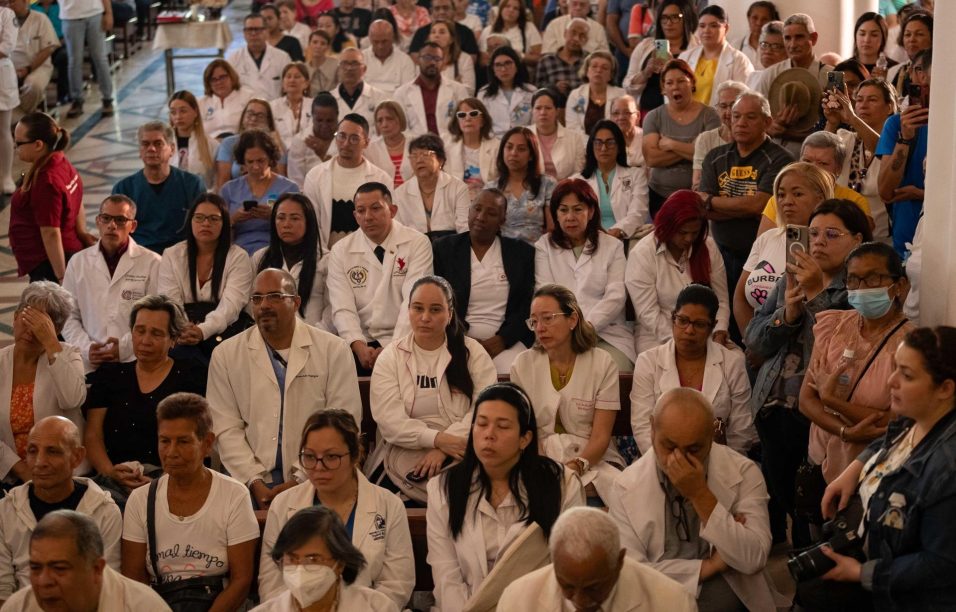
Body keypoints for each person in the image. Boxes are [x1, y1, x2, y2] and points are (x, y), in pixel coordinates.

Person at [796, 326, 956, 611]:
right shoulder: (915, 418)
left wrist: (863, 573)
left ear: (945, 389)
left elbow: (941, 564)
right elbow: (890, 440)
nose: (892, 381)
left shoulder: (948, 466)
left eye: (907, 375)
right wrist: (856, 468)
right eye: (895, 369)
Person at [745, 200, 871, 548]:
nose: (818, 242)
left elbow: (839, 354)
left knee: (815, 507)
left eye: (831, 234)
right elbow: (754, 339)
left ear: (857, 240)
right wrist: (787, 314)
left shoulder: (858, 289)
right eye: (813, 234)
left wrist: (816, 295)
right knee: (786, 497)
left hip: (821, 416)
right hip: (774, 406)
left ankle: (814, 572)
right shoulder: (790, 279)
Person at [608, 388, 778, 611]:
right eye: (669, 446)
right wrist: (710, 566)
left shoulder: (744, 472)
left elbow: (753, 558)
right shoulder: (625, 485)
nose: (679, 459)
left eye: (694, 449)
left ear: (712, 435)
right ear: (652, 429)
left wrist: (700, 495)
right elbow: (630, 574)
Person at [208, 268, 361, 507]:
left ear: (296, 302)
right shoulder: (225, 355)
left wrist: (300, 479)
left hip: (319, 476)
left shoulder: (334, 350)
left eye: (275, 297)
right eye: (257, 298)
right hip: (247, 482)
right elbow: (225, 427)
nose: (264, 305)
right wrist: (254, 480)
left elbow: (344, 422)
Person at [427, 382, 585, 610]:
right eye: (481, 424)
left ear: (525, 438)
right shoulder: (443, 488)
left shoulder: (562, 484)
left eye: (502, 426)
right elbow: (446, 575)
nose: (489, 435)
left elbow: (567, 570)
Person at [258, 410, 413, 605]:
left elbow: (396, 585)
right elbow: (271, 584)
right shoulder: (282, 505)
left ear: (355, 456)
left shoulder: (389, 505)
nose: (318, 467)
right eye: (310, 456)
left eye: (331, 457)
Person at [121, 393, 259, 611]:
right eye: (164, 441)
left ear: (207, 443)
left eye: (183, 442)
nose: (171, 452)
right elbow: (134, 581)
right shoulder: (140, 500)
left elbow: (241, 581)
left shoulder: (234, 495)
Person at [366, 276, 497, 497]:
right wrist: (438, 440)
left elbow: (484, 411)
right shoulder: (390, 357)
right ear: (408, 311)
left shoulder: (473, 353)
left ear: (450, 313)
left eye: (435, 310)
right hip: (401, 454)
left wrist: (444, 449)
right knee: (386, 505)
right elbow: (390, 421)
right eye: (418, 308)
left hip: (463, 449)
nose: (425, 317)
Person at [800, 242, 913, 484]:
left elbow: (900, 418)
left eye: (873, 279)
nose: (861, 289)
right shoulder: (833, 325)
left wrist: (832, 401)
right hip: (820, 461)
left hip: (872, 473)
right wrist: (846, 432)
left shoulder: (911, 345)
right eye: (853, 280)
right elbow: (806, 400)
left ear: (900, 285)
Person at [82, 296, 206, 498]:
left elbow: (198, 438)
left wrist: (162, 481)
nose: (145, 340)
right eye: (140, 331)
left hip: (173, 478)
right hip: (113, 479)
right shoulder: (110, 376)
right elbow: (92, 435)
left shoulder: (191, 376)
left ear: (173, 339)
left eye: (156, 333)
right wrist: (111, 473)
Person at [510, 284, 623, 502]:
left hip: (592, 460)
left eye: (547, 318)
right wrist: (546, 469)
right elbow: (526, 431)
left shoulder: (602, 363)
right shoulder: (523, 364)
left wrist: (577, 466)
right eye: (534, 321)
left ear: (572, 319)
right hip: (540, 458)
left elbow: (600, 437)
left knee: (615, 493)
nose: (540, 328)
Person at [0, 417, 122, 604]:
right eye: (32, 451)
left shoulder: (105, 512)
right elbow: (2, 592)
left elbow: (108, 588)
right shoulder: (5, 511)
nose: (40, 462)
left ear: (77, 457)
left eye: (52, 451)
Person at [698, 91, 792, 318]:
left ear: (767, 122)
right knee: (720, 315)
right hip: (719, 252)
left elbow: (759, 205)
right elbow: (701, 209)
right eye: (736, 116)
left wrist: (712, 201)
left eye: (750, 117)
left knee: (760, 316)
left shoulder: (781, 159)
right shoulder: (715, 157)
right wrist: (744, 209)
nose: (741, 123)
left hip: (762, 259)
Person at [631, 284, 755, 456]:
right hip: (658, 460)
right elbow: (642, 426)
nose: (689, 330)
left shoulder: (732, 363)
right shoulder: (648, 361)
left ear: (713, 326)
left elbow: (742, 431)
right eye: (682, 321)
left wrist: (717, 463)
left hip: (720, 461)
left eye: (699, 324)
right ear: (673, 319)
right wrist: (669, 462)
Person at [498, 506, 698, 612]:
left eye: (593, 588)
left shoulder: (672, 603)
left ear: (619, 562)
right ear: (554, 563)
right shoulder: (518, 600)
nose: (580, 601)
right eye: (567, 586)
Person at [326, 182, 433, 374]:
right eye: (361, 211)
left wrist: (393, 348)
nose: (368, 216)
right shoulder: (340, 250)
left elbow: (413, 302)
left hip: (407, 337)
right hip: (360, 341)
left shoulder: (417, 243)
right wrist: (358, 346)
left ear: (392, 210)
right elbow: (342, 308)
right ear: (355, 216)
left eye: (375, 208)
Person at [432, 189, 535, 374]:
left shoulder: (521, 253)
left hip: (506, 340)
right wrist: (463, 339)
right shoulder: (445, 249)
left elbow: (526, 306)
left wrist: (502, 340)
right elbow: (439, 301)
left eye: (491, 213)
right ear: (468, 211)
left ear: (502, 220)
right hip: (457, 338)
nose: (481, 217)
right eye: (477, 209)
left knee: (515, 372)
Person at [535, 179, 634, 370]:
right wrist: (567, 329)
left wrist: (586, 327)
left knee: (612, 369)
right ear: (555, 214)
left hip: (607, 334)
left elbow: (615, 296)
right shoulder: (544, 246)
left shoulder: (612, 246)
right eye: (563, 210)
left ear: (591, 211)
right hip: (559, 335)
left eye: (578, 209)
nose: (570, 217)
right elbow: (545, 294)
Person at [60, 196, 161, 372]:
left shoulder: (153, 263)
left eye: (120, 220)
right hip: (90, 362)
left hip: (136, 359)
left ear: (133, 226)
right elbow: (68, 316)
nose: (112, 225)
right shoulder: (78, 262)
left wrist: (123, 348)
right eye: (106, 218)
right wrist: (86, 348)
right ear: (98, 221)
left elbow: (157, 318)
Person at [733, 162, 833, 339]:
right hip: (761, 344)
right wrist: (751, 343)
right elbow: (740, 298)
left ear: (820, 198)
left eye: (797, 194)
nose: (787, 201)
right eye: (781, 195)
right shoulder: (767, 238)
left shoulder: (831, 245)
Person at [1, 282, 86, 488]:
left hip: (62, 475)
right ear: (15, 317)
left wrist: (50, 344)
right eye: (28, 319)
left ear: (56, 330)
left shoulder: (68, 355)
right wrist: (21, 469)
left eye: (41, 325)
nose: (31, 331)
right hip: (9, 474)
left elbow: (72, 400)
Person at [625, 190, 730, 357]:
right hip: (657, 337)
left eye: (695, 233)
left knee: (736, 361)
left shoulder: (708, 247)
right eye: (682, 232)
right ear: (667, 226)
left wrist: (719, 331)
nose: (689, 239)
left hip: (704, 335)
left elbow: (721, 300)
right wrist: (685, 342)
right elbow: (648, 315)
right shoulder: (642, 253)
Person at [1, 510, 170, 610]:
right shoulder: (18, 607)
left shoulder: (144, 607)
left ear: (96, 568)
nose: (44, 581)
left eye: (59, 568)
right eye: (36, 568)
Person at [157, 194, 254, 359]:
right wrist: (184, 329)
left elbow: (231, 305)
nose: (206, 223)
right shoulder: (172, 254)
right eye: (199, 217)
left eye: (214, 219)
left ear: (224, 223)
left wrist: (203, 330)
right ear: (190, 221)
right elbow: (170, 300)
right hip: (182, 330)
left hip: (225, 330)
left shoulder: (238, 256)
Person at [253, 506, 399, 612]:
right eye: (291, 559)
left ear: (340, 564)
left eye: (313, 559)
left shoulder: (378, 607)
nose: (300, 570)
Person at [301, 114, 394, 252]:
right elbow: (311, 223)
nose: (346, 143)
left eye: (354, 138)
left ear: (366, 142)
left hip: (369, 254)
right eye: (342, 136)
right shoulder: (315, 176)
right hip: (326, 254)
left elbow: (386, 223)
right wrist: (325, 256)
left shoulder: (381, 179)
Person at [8, 113, 84, 282]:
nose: (15, 147)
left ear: (38, 145)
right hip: (59, 254)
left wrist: (62, 277)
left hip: (49, 262)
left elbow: (50, 233)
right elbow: (78, 202)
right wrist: (81, 233)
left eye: (19, 143)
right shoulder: (61, 162)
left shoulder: (46, 181)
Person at [113, 122, 207, 254]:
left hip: (181, 254)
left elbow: (202, 227)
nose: (151, 149)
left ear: (172, 149)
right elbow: (117, 232)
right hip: (139, 255)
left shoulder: (192, 184)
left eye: (158, 144)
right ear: (140, 151)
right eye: (145, 144)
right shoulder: (124, 189)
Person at [823, 78, 897, 245]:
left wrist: (852, 118)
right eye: (859, 100)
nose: (863, 105)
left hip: (882, 241)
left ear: (890, 107)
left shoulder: (898, 145)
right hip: (840, 239)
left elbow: (882, 148)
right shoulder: (845, 139)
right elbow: (818, 161)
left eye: (872, 100)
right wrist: (831, 123)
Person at [643, 59, 721, 216]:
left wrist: (671, 144)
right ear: (663, 89)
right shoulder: (653, 116)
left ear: (692, 83)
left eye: (681, 81)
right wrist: (693, 149)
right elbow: (651, 158)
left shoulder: (710, 115)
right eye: (669, 83)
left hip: (698, 197)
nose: (675, 87)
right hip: (659, 196)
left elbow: (710, 158)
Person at [877, 48, 930, 256]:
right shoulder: (896, 124)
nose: (922, 78)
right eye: (918, 70)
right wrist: (905, 138)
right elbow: (886, 192)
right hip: (906, 246)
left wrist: (923, 195)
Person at [252, 193, 328, 329]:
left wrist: (314, 335)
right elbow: (252, 304)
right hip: (269, 335)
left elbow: (332, 309)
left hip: (315, 335)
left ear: (309, 222)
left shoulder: (326, 259)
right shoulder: (260, 257)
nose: (286, 224)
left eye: (295, 218)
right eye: (281, 218)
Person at [220, 130, 299, 255]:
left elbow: (299, 227)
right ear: (242, 161)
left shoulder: (289, 188)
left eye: (261, 161)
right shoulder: (229, 189)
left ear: (271, 159)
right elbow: (217, 227)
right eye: (250, 162)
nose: (256, 167)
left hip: (278, 250)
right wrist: (233, 219)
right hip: (237, 252)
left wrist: (275, 217)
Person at [623, 0, 698, 123]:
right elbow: (627, 86)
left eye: (675, 17)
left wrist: (673, 65)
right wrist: (645, 73)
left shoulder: (698, 48)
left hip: (683, 116)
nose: (668, 23)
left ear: (687, 18)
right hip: (647, 114)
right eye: (664, 18)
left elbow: (698, 86)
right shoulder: (645, 46)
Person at [576, 120, 649, 239]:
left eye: (610, 142)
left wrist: (618, 230)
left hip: (625, 237)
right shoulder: (578, 181)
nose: (603, 148)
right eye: (598, 143)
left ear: (619, 146)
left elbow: (638, 212)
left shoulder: (636, 175)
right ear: (591, 147)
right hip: (590, 240)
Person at [489, 127, 556, 244]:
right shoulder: (491, 189)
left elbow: (552, 228)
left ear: (531, 155)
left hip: (536, 249)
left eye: (521, 149)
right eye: (509, 147)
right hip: (501, 248)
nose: (513, 153)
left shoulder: (547, 184)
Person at [393, 134, 470, 238]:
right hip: (414, 245)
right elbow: (398, 232)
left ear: (441, 160)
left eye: (425, 154)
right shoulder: (400, 193)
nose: (419, 160)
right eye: (414, 156)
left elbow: (465, 228)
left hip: (451, 243)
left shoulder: (458, 188)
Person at [678, 6, 753, 106]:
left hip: (721, 116)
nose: (706, 30)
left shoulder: (739, 61)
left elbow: (745, 98)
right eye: (702, 26)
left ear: (726, 28)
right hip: (687, 115)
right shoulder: (685, 57)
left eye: (713, 26)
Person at [395, 42, 470, 140]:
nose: (432, 63)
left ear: (443, 63)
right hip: (415, 144)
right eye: (427, 58)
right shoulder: (401, 93)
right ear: (418, 60)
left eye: (437, 59)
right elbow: (401, 127)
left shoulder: (458, 89)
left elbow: (466, 121)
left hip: (451, 143)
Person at [216, 99, 289, 190]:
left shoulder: (277, 145)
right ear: (243, 118)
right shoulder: (228, 143)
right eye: (250, 114)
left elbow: (282, 182)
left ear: (268, 122)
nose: (254, 119)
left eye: (260, 116)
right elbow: (222, 182)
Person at [691, 80, 749, 190]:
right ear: (717, 109)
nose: (728, 112)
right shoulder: (705, 139)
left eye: (734, 105)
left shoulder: (757, 139)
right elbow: (697, 184)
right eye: (723, 106)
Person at [60, 0, 113, 118]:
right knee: (74, 61)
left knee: (100, 58)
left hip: (94, 13)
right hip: (70, 16)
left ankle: (107, 99)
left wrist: (108, 13)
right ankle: (77, 99)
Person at [9, 0, 59, 122]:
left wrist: (28, 69)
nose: (10, 5)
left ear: (25, 1)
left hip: (38, 67)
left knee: (33, 87)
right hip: (9, 68)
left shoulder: (40, 19)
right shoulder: (4, 21)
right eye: (8, 2)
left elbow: (49, 48)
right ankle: (21, 118)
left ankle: (18, 119)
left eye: (13, 1)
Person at [443, 97, 500, 198]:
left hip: (488, 199)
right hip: (456, 199)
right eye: (462, 115)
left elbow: (501, 180)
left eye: (473, 114)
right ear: (457, 121)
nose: (467, 118)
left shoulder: (496, 146)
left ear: (483, 121)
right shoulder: (447, 147)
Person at [227, 14, 293, 100]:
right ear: (244, 33)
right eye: (249, 30)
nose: (253, 33)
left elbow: (291, 88)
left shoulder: (282, 58)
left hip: (275, 106)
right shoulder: (233, 59)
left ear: (266, 32)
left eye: (258, 29)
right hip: (244, 107)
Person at [530, 88, 585, 181]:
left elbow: (578, 172)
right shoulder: (523, 135)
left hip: (566, 187)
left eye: (548, 108)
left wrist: (561, 186)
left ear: (557, 111)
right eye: (538, 108)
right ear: (532, 111)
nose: (543, 112)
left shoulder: (575, 138)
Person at [168, 91, 219, 190]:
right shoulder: (164, 145)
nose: (178, 117)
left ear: (195, 112)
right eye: (173, 112)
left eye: (183, 111)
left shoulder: (212, 145)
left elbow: (217, 182)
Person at [565, 51, 624, 135]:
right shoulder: (576, 95)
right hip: (581, 142)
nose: (598, 70)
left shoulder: (621, 95)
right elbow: (572, 128)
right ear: (587, 71)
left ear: (611, 75)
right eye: (594, 66)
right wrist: (592, 141)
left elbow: (622, 126)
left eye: (604, 68)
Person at [479, 46, 535, 136]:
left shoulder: (531, 91)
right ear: (493, 69)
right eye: (498, 65)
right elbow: (482, 125)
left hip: (524, 139)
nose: (503, 69)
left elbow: (535, 124)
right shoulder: (483, 94)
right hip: (493, 141)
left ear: (517, 66)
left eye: (508, 63)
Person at [286, 93, 339, 187]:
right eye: (319, 120)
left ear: (337, 116)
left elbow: (346, 173)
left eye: (329, 121)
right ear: (312, 117)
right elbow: (296, 181)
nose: (324, 125)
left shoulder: (346, 139)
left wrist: (323, 153)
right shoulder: (300, 140)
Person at [331, 48, 387, 132]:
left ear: (364, 69)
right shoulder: (329, 99)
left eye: (355, 63)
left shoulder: (380, 98)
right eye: (345, 63)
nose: (349, 68)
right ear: (338, 69)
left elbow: (384, 130)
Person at [197, 59, 255, 140]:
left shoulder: (249, 97)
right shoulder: (200, 103)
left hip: (242, 143)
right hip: (210, 145)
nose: (219, 82)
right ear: (208, 83)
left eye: (222, 77)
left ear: (231, 76)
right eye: (213, 79)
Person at [407, 0, 478, 60]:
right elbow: (414, 56)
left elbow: (472, 58)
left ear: (454, 10)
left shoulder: (466, 32)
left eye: (446, 8)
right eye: (437, 9)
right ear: (431, 11)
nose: (441, 12)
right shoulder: (421, 32)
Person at [885, 10, 932, 102]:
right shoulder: (893, 72)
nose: (912, 39)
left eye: (919, 34)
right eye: (907, 34)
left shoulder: (938, 71)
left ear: (932, 38)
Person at [533, 17, 587, 97]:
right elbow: (537, 88)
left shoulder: (589, 60)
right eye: (573, 33)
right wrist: (554, 87)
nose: (576, 38)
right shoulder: (546, 61)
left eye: (582, 35)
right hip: (555, 102)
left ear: (586, 39)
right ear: (565, 33)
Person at [477, 0, 541, 65]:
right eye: (507, 6)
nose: (511, 10)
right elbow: (482, 60)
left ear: (520, 13)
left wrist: (520, 56)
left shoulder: (529, 27)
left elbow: (538, 58)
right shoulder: (488, 30)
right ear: (501, 9)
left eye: (516, 8)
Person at [363, 19, 417, 96]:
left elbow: (408, 93)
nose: (380, 46)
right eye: (376, 42)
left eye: (384, 41)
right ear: (370, 39)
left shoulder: (405, 61)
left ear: (392, 38)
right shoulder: (361, 59)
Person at [366, 100, 413, 188]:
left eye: (389, 119)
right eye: (380, 120)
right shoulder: (370, 149)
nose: (384, 125)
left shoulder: (416, 144)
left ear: (400, 119)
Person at [542, 0, 608, 56]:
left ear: (588, 9)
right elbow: (548, 52)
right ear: (569, 6)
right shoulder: (554, 24)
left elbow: (605, 55)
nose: (578, 7)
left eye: (582, 5)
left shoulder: (598, 29)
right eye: (574, 4)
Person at [270, 63, 313, 148]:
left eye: (297, 77)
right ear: (283, 83)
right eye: (288, 76)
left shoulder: (314, 105)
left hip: (308, 152)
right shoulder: (272, 106)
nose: (292, 80)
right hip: (279, 152)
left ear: (306, 83)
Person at [429, 18, 475, 94]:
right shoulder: (424, 59)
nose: (436, 35)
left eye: (442, 32)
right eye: (433, 32)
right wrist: (455, 85)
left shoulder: (464, 59)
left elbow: (469, 91)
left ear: (451, 39)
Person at [730, 1, 778, 71]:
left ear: (771, 21)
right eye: (755, 18)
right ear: (748, 18)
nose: (759, 23)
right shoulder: (736, 46)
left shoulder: (777, 49)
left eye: (764, 19)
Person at [851, 12, 894, 77]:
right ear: (855, 36)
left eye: (874, 35)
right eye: (862, 34)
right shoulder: (844, 68)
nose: (867, 40)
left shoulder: (894, 70)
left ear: (883, 38)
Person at [746, 20, 787, 88]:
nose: (768, 51)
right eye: (764, 45)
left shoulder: (789, 80)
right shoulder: (753, 78)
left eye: (775, 46)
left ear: (787, 50)